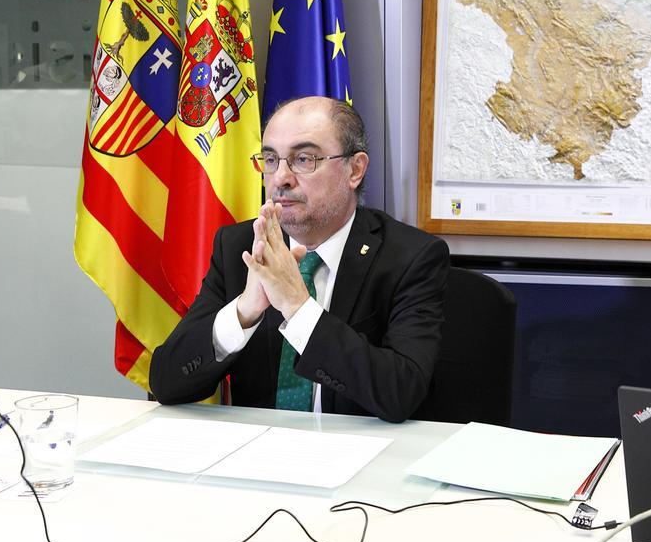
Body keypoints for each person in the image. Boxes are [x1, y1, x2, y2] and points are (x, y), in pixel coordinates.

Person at [149, 96, 449, 422]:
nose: (280, 178)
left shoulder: (410, 257)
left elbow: (400, 392)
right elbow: (166, 383)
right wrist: (244, 311)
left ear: (355, 169)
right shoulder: (242, 247)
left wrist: (298, 307)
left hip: (358, 457)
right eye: (270, 159)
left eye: (304, 159)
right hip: (257, 456)